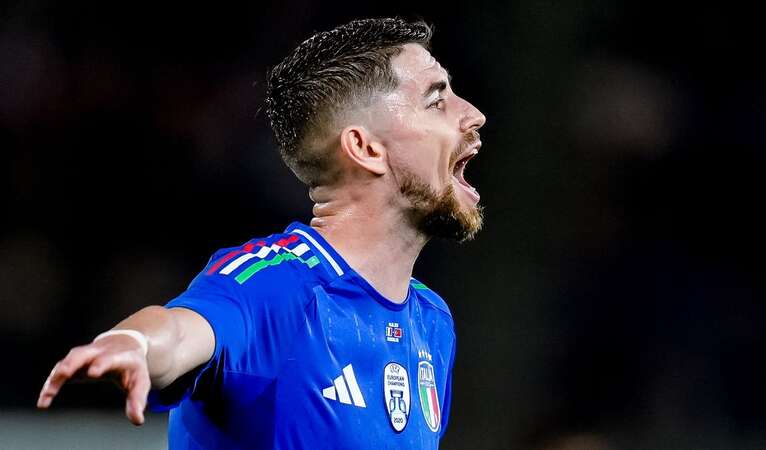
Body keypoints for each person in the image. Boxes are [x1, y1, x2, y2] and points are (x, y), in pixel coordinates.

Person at [37, 17, 486, 449]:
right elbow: (182, 330)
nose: (474, 115)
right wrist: (133, 343)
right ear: (366, 149)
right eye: (436, 100)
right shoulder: (278, 285)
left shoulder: (431, 321)